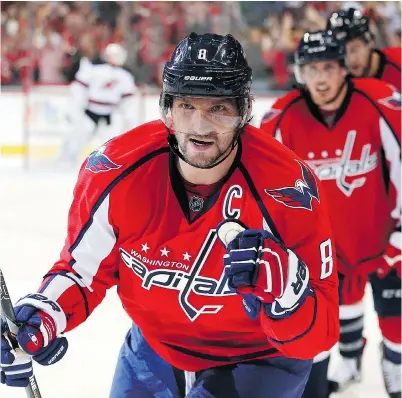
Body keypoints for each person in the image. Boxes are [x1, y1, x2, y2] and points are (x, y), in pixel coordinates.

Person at [1, 33, 339, 398]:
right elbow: (81, 270)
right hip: (155, 348)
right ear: (167, 107)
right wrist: (44, 315)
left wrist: (289, 293)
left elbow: (318, 337)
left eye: (218, 109)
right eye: (187, 106)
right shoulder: (114, 171)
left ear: (243, 112)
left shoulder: (288, 188)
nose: (199, 126)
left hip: (259, 356)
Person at [260, 30, 401, 398]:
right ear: (299, 72)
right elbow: (262, 189)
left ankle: (396, 371)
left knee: (397, 319)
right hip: (323, 247)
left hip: (384, 238)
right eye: (311, 69)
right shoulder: (280, 117)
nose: (320, 78)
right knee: (334, 314)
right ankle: (350, 362)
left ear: (344, 69)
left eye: (328, 67)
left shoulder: (381, 101)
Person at [58, 42, 137, 166]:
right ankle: (66, 160)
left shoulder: (96, 70)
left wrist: (76, 108)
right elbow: (128, 103)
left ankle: (66, 161)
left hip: (103, 113)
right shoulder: (123, 76)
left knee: (104, 143)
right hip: (98, 112)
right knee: (84, 140)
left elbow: (79, 90)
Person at [327, 7, 401, 91]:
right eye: (342, 51)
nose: (350, 59)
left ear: (370, 42)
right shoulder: (338, 82)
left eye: (355, 49)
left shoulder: (398, 62)